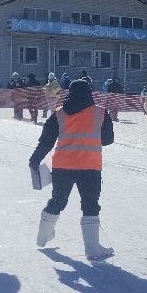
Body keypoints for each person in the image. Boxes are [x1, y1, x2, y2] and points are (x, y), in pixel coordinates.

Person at [28, 78, 115, 260]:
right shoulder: (101, 113)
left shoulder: (59, 113)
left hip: (62, 166)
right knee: (90, 204)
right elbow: (107, 140)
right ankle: (92, 249)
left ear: (70, 93)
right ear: (90, 92)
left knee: (58, 200)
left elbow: (46, 141)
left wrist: (35, 159)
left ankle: (43, 237)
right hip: (90, 167)